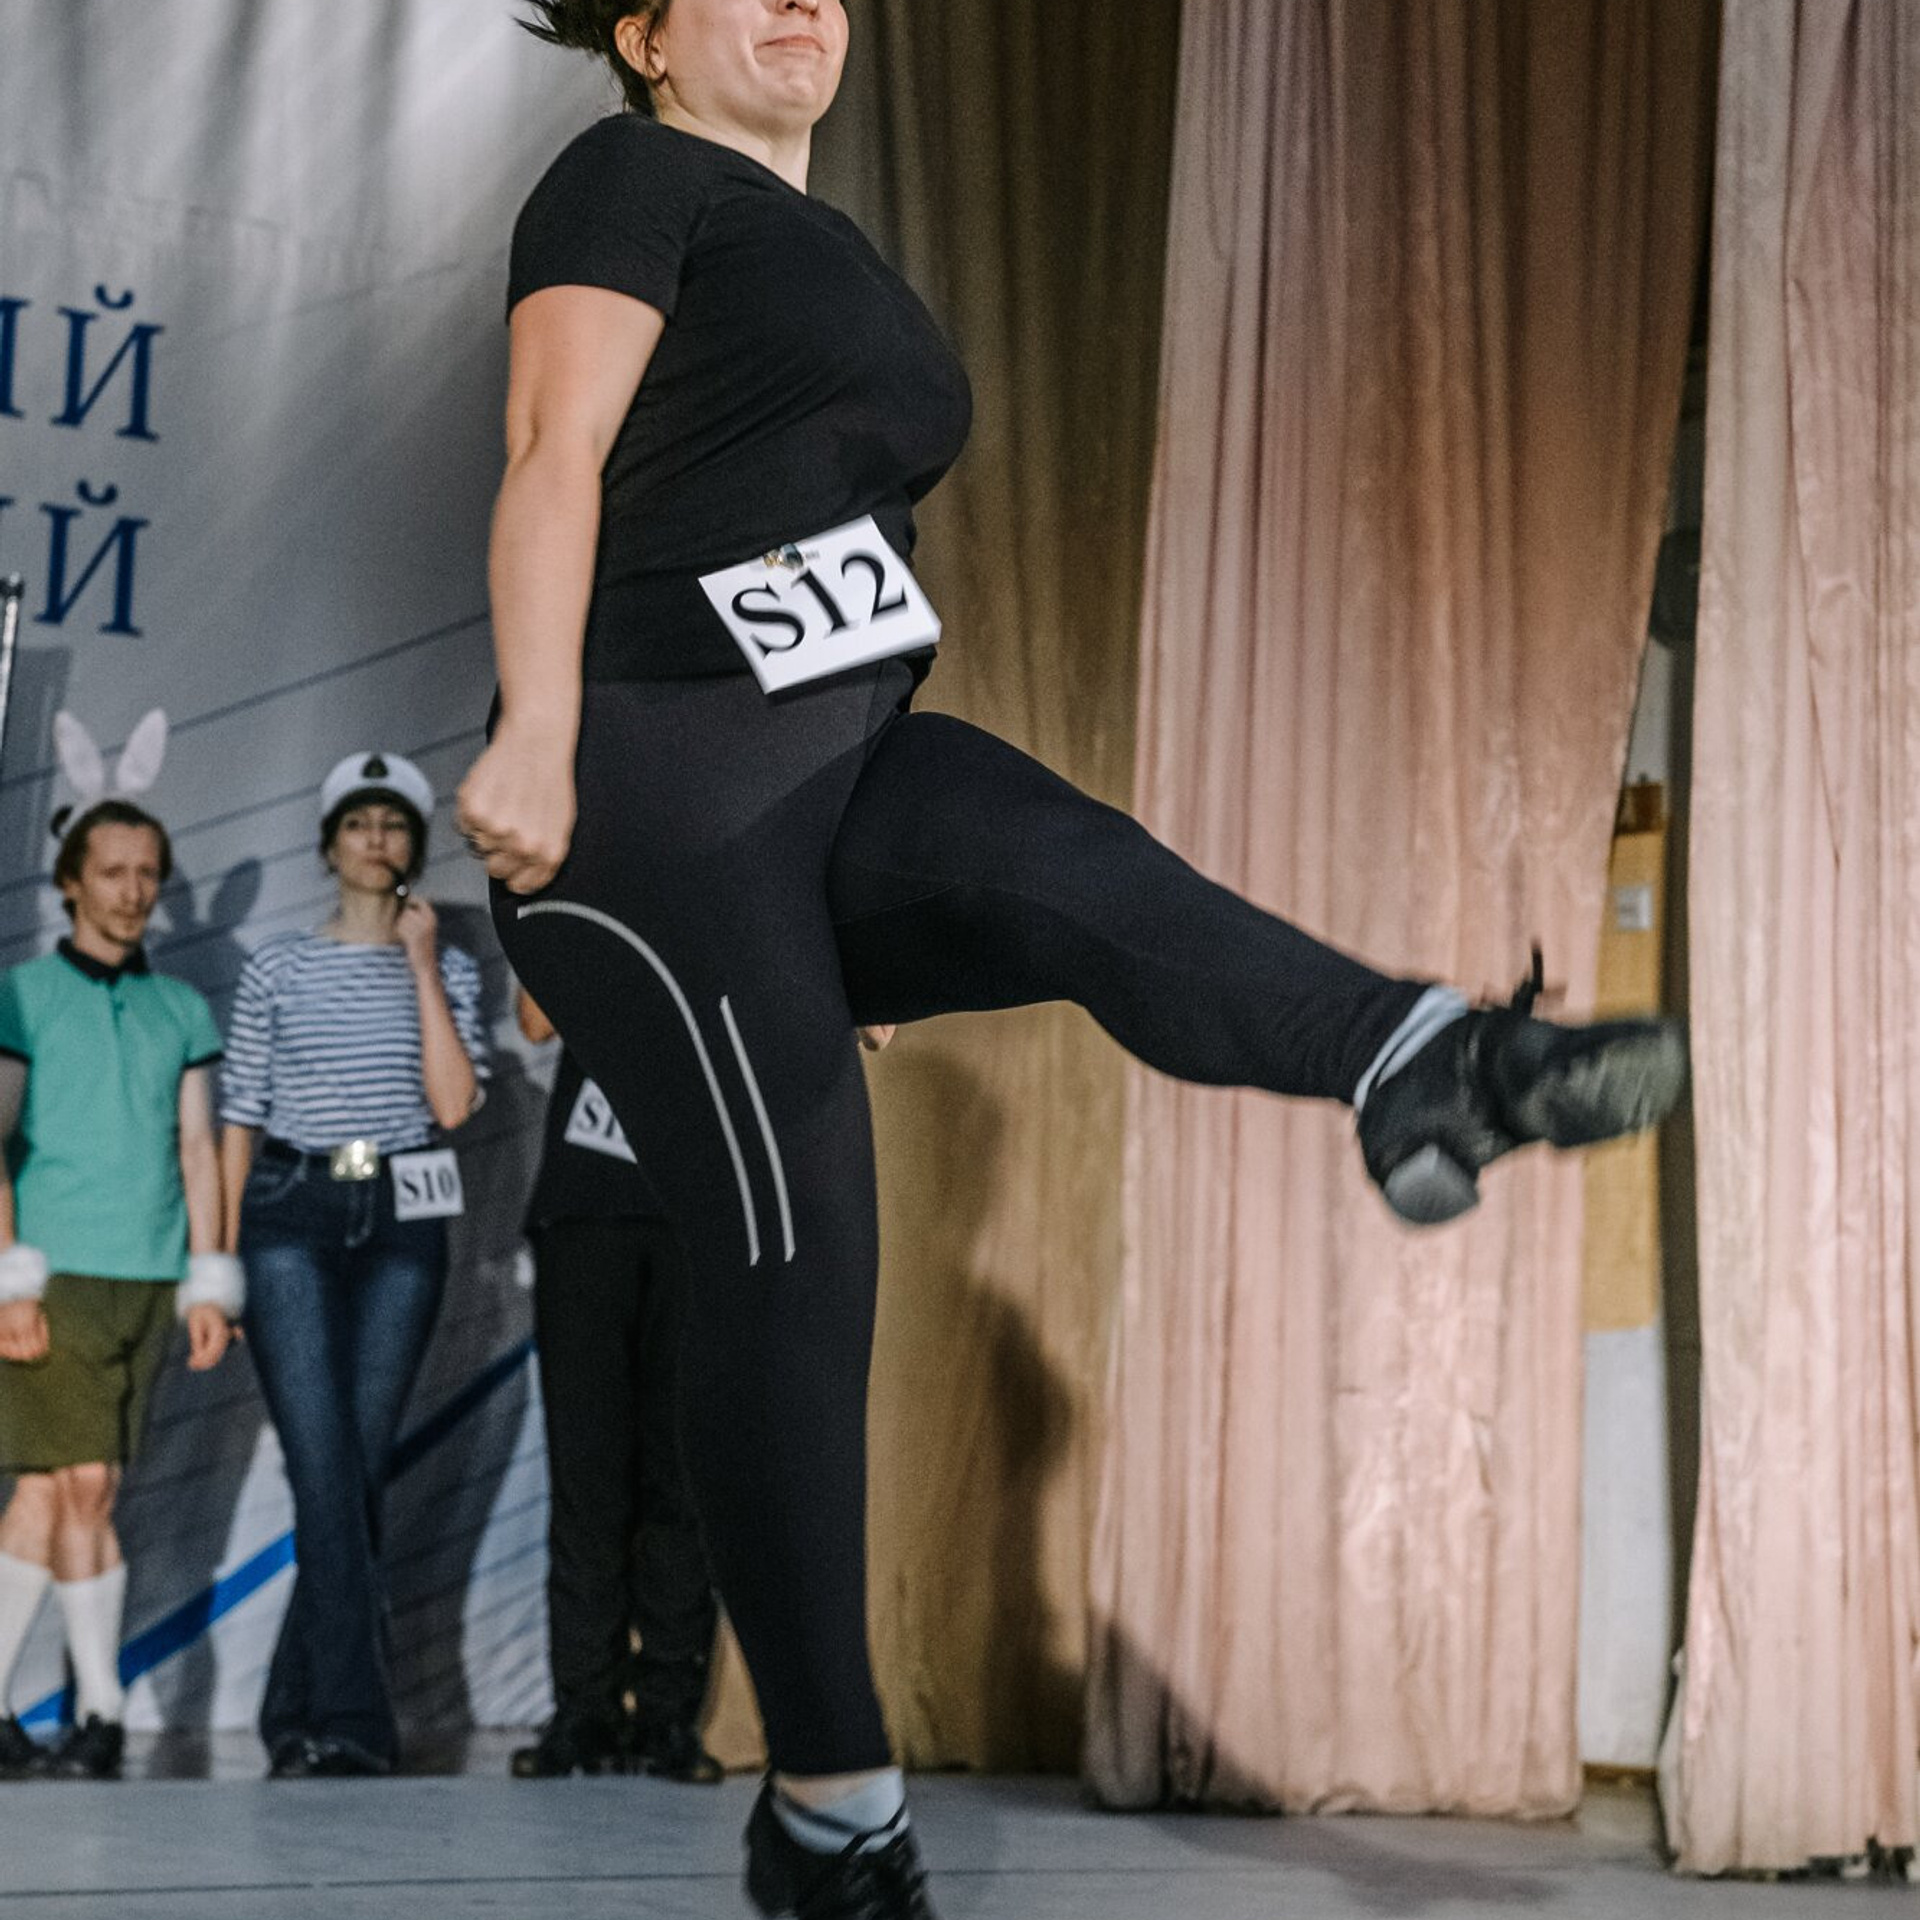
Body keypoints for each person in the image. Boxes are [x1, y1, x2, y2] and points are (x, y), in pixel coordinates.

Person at [458, 4, 1687, 1912]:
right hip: (651, 782)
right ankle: (834, 1811)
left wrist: (831, 922)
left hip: (836, 771)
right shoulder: (631, 178)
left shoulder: (830, 247)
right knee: (801, 1232)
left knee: (1077, 868)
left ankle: (1422, 1061)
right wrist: (534, 730)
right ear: (642, 31)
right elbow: (556, 448)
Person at [218, 751, 489, 1779]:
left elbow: (455, 1105)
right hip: (289, 1208)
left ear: (413, 847)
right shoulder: (278, 965)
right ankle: (353, 1723)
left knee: (353, 1470)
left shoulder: (452, 966)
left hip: (403, 1209)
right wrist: (220, 1258)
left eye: (394, 826)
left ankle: (298, 1714)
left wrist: (421, 967)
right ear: (329, 843)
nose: (377, 842)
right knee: (322, 1466)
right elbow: (240, 1110)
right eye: (358, 824)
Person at [0, 799, 242, 1782]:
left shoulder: (181, 1010)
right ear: (69, 882)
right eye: (112, 872)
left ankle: (53, 1713)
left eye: (148, 873)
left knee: (54, 1495)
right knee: (83, 1484)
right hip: (54, 1270)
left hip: (147, 1275)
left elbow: (198, 1149)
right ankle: (99, 1713)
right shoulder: (21, 996)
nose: (133, 891)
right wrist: (10, 1276)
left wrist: (208, 1280)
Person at [510, 988, 722, 1783]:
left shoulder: (727, 887)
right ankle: (584, 1712)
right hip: (586, 1212)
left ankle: (669, 1716)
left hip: (698, 1211)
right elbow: (536, 1016)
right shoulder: (576, 884)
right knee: (587, 1477)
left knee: (683, 1477)